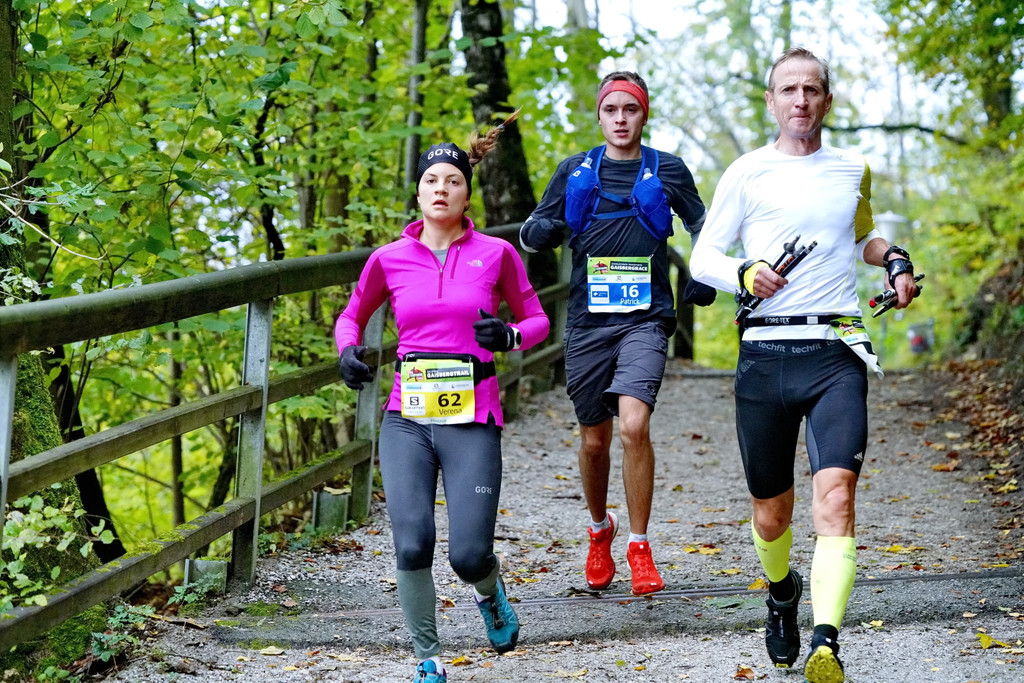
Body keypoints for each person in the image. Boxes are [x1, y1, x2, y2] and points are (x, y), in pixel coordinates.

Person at [690, 47, 920, 683]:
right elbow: (703, 257)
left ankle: (826, 641)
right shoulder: (747, 171)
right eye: (788, 90)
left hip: (835, 352)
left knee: (837, 496)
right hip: (765, 355)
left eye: (811, 89)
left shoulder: (852, 168)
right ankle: (781, 591)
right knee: (772, 514)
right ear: (771, 101)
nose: (800, 100)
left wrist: (893, 258)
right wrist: (744, 272)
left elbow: (860, 235)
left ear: (826, 100)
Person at [335, 111, 550, 683]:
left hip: (472, 416)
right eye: (431, 180)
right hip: (407, 419)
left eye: (452, 181)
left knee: (468, 555)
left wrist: (509, 336)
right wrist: (347, 351)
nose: (441, 189)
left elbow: (537, 319)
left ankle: (489, 592)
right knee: (412, 545)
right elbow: (351, 315)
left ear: (465, 194)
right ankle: (427, 658)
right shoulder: (388, 258)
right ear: (418, 192)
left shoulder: (496, 254)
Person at [519, 71, 714, 596]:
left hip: (646, 319)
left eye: (631, 109)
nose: (621, 119)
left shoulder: (667, 169)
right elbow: (531, 233)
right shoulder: (575, 170)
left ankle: (639, 546)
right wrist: (545, 229)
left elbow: (705, 225)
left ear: (644, 114)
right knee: (594, 441)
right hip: (588, 321)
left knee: (633, 426)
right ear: (600, 115)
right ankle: (599, 530)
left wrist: (703, 273)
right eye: (612, 110)